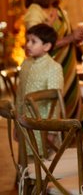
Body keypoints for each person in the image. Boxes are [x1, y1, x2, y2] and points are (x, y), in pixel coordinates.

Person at [24, 0, 83, 118]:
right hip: (48, 75)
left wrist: (77, 38)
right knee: (55, 120)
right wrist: (70, 37)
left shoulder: (58, 9)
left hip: (67, 70)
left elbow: (64, 38)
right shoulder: (35, 11)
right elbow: (37, 46)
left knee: (75, 118)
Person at [16, 23, 63, 155]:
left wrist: (52, 130)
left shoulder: (53, 68)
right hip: (24, 124)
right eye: (28, 40)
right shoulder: (25, 64)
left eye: (33, 41)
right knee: (26, 158)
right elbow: (19, 96)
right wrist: (16, 123)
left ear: (47, 46)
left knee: (44, 160)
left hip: (43, 127)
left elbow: (55, 102)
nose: (28, 45)